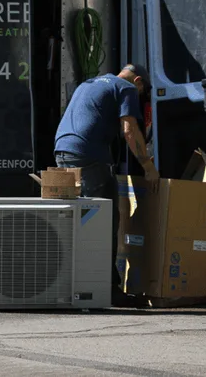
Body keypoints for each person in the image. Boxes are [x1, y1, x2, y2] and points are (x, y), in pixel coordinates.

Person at [54, 64, 160, 300]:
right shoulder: (127, 88)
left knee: (78, 220)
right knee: (103, 221)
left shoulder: (90, 83)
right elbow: (129, 130)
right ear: (139, 81)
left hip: (63, 150)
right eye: (143, 92)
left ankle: (74, 282)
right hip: (88, 156)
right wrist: (148, 167)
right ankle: (107, 290)